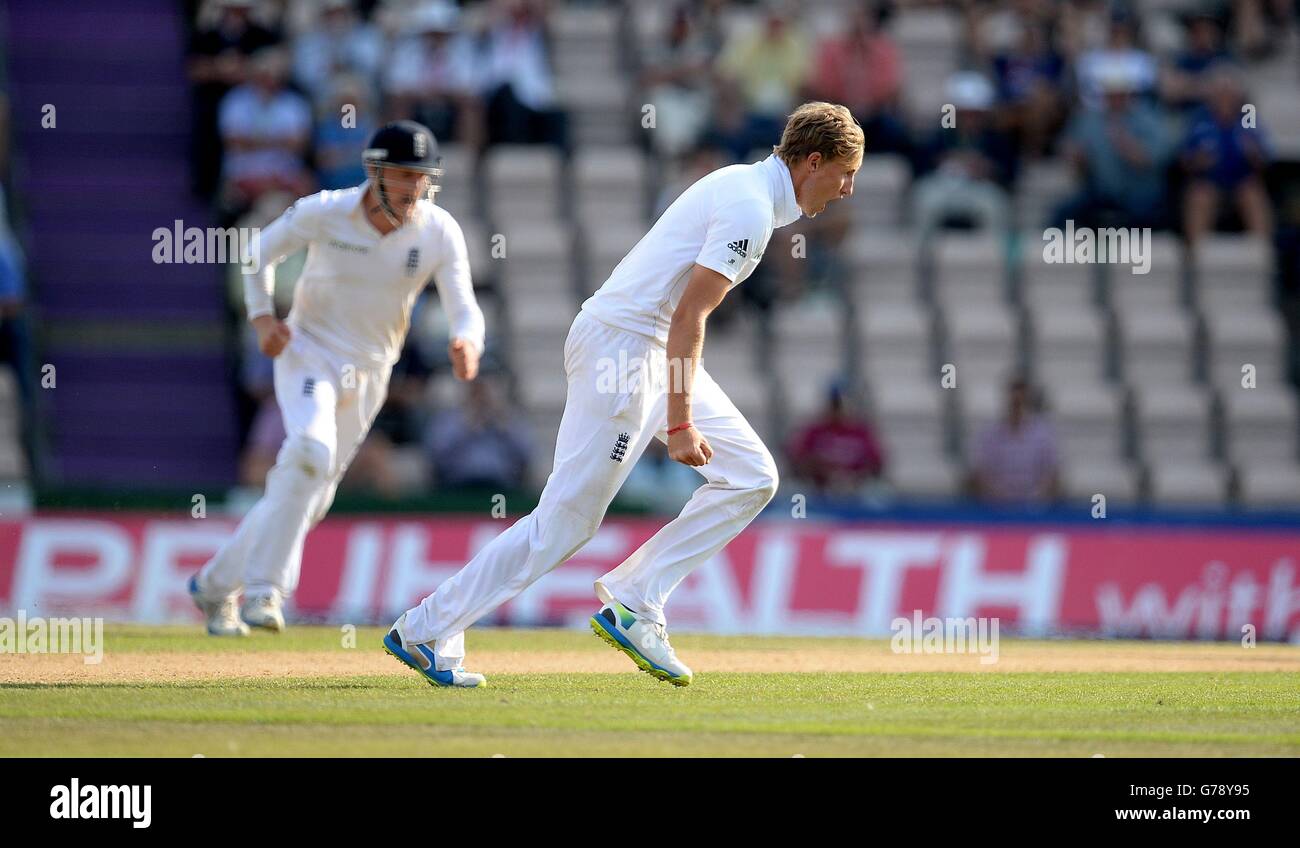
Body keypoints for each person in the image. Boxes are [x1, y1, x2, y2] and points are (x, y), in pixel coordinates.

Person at [384, 102, 863, 688]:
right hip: (625, 353)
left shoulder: (746, 189)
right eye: (844, 172)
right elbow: (691, 315)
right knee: (565, 523)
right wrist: (682, 421)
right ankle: (426, 628)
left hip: (643, 348)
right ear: (812, 161)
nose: (846, 189)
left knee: (753, 476)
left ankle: (636, 598)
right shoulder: (749, 208)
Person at [189, 121, 485, 643]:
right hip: (309, 353)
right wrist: (262, 319)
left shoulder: (439, 230)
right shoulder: (326, 211)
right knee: (310, 453)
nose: (412, 188)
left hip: (371, 370)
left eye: (421, 177)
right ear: (373, 171)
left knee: (311, 492)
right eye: (401, 175)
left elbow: (465, 304)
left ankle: (213, 585)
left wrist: (468, 341)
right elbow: (258, 253)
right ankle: (265, 590)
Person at [968, 376, 1060, 506]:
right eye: (1014, 402)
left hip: (1034, 505)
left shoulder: (1043, 435)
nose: (1017, 407)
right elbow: (980, 473)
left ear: (1028, 403)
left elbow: (1052, 473)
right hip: (996, 504)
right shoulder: (990, 434)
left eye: (1020, 402)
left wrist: (1036, 498)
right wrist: (996, 496)